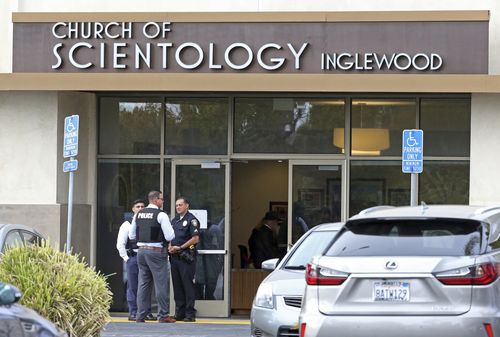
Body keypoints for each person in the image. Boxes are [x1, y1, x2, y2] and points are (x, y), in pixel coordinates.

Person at [129, 190, 176, 323]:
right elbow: (170, 236)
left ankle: (140, 315)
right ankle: (163, 315)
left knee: (143, 284)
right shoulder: (161, 215)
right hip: (156, 252)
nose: (163, 201)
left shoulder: (138, 215)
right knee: (161, 284)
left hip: (141, 252)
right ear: (156, 200)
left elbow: (131, 236)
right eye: (161, 199)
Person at [116, 199, 155, 321]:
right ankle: (133, 312)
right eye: (137, 206)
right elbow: (120, 244)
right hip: (133, 258)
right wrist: (127, 259)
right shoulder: (127, 224)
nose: (140, 208)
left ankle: (146, 312)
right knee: (133, 286)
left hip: (147, 258)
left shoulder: (148, 223)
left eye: (142, 206)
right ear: (133, 209)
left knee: (146, 286)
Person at [168, 197, 200, 322]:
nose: (178, 207)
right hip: (174, 258)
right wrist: (170, 246)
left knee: (187, 285)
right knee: (177, 286)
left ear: (187, 205)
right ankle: (179, 312)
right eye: (176, 205)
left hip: (186, 257)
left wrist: (180, 247)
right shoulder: (175, 220)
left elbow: (195, 239)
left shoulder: (192, 220)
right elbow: (170, 235)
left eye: (180, 205)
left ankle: (189, 314)